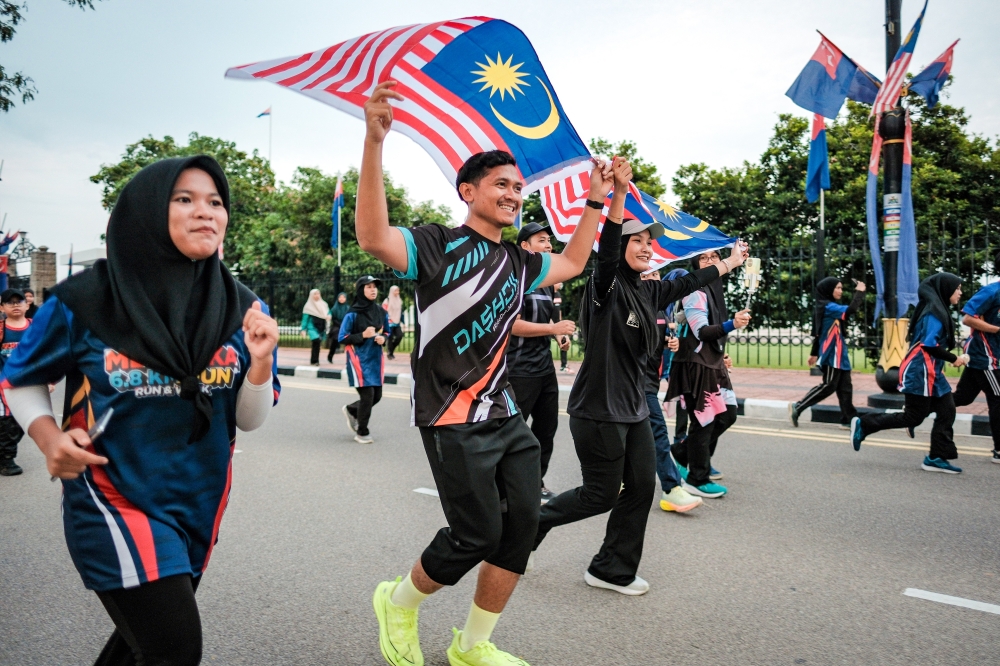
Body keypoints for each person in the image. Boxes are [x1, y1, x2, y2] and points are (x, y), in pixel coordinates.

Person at [356, 80, 612, 666]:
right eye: (501, 185)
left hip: (503, 413)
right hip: (449, 415)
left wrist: (597, 199)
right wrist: (374, 143)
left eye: (519, 189)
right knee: (474, 535)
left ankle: (472, 646)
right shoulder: (437, 245)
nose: (514, 195)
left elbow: (573, 262)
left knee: (521, 527)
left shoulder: (519, 261)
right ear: (466, 190)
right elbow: (372, 236)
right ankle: (398, 602)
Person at [0, 156, 280, 665]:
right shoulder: (86, 300)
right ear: (147, 211)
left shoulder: (243, 307)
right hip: (113, 498)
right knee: (175, 649)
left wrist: (259, 364)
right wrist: (48, 438)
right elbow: (19, 378)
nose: (206, 213)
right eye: (185, 199)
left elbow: (249, 419)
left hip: (199, 501)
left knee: (140, 647)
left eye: (216, 202)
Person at [532, 213, 748, 596]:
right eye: (638, 241)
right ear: (620, 249)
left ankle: (611, 569)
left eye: (650, 242)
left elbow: (691, 280)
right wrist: (615, 200)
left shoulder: (650, 292)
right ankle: (532, 526)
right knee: (600, 494)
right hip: (598, 411)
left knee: (640, 488)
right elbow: (608, 252)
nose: (647, 247)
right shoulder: (606, 288)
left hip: (633, 410)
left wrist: (730, 262)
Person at [851, 273, 968, 473]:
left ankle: (936, 457)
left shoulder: (938, 309)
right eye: (957, 288)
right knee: (913, 417)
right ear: (946, 289)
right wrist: (954, 358)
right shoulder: (934, 313)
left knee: (948, 410)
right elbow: (929, 345)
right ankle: (865, 423)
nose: (960, 292)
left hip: (932, 371)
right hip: (920, 371)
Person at [667, 250, 752, 498]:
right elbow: (702, 331)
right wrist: (732, 325)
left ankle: (684, 453)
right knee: (705, 421)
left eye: (714, 256)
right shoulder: (695, 291)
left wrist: (721, 352)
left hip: (712, 363)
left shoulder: (715, 292)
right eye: (703, 258)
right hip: (695, 365)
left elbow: (711, 337)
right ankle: (697, 477)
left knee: (728, 415)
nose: (710, 260)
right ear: (695, 263)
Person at [506, 222, 575, 504]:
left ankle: (535, 482)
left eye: (549, 241)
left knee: (546, 430)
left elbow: (545, 319)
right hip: (519, 369)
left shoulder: (545, 283)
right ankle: (504, 487)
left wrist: (557, 336)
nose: (548, 246)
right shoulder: (513, 280)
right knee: (514, 433)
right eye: (541, 240)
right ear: (525, 246)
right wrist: (552, 330)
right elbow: (511, 325)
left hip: (544, 369)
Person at [646, 269, 701, 513]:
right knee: (657, 432)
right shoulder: (629, 304)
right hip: (630, 385)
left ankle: (620, 478)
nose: (652, 278)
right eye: (646, 275)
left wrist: (670, 343)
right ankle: (671, 488)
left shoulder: (661, 309)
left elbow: (657, 342)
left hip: (648, 382)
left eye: (656, 274)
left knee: (639, 436)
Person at [789, 277, 866, 429]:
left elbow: (818, 332)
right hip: (832, 354)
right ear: (828, 290)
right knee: (829, 385)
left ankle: (848, 419)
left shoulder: (829, 307)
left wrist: (813, 353)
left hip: (840, 354)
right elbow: (851, 310)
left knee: (845, 388)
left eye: (841, 288)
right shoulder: (829, 307)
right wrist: (860, 292)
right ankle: (798, 407)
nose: (840, 291)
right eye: (837, 288)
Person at [954, 252, 1000, 462]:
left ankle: (916, 408)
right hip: (987, 356)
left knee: (963, 398)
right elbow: (967, 319)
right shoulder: (991, 292)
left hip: (990, 356)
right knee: (998, 399)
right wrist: (996, 329)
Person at [339, 276, 389, 444]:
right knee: (368, 396)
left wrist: (383, 338)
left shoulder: (381, 312)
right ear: (361, 290)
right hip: (358, 360)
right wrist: (363, 335)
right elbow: (342, 337)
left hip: (375, 360)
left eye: (374, 286)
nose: (373, 289)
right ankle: (362, 431)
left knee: (377, 396)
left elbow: (387, 331)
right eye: (368, 287)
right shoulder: (352, 314)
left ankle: (352, 410)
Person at [0, 288, 32, 476]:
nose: (15, 305)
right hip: (4, 385)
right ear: (2, 306)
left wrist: (50, 380)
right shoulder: (2, 328)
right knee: (7, 421)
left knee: (23, 422)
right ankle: (6, 460)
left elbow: (46, 355)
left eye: (18, 301)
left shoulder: (35, 327)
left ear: (26, 305)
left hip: (29, 384)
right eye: (10, 302)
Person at [301, 288, 330, 366]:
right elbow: (305, 319)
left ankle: (314, 360)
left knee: (317, 343)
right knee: (316, 340)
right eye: (315, 294)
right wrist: (303, 329)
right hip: (312, 326)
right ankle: (315, 360)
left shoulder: (324, 304)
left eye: (318, 294)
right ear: (311, 295)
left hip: (321, 325)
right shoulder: (308, 306)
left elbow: (328, 312)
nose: (317, 295)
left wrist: (329, 315)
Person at [553, 282, 572, 373]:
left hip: (557, 324)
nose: (560, 284)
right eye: (558, 282)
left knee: (564, 340)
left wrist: (560, 321)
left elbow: (559, 310)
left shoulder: (558, 294)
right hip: (549, 324)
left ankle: (564, 365)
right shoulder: (550, 294)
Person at [382, 285, 405, 360]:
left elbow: (400, 312)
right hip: (389, 322)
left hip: (397, 321)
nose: (397, 292)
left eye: (398, 290)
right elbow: (383, 311)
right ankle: (390, 353)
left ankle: (391, 351)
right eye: (396, 291)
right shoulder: (387, 300)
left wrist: (403, 321)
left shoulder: (399, 300)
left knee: (399, 336)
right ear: (392, 291)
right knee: (390, 338)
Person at [327, 292, 350, 362]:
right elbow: (330, 313)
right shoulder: (335, 308)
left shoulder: (348, 308)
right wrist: (329, 316)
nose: (342, 299)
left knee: (348, 342)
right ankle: (330, 355)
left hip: (345, 326)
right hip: (336, 326)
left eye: (343, 297)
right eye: (340, 297)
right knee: (335, 341)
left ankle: (349, 359)